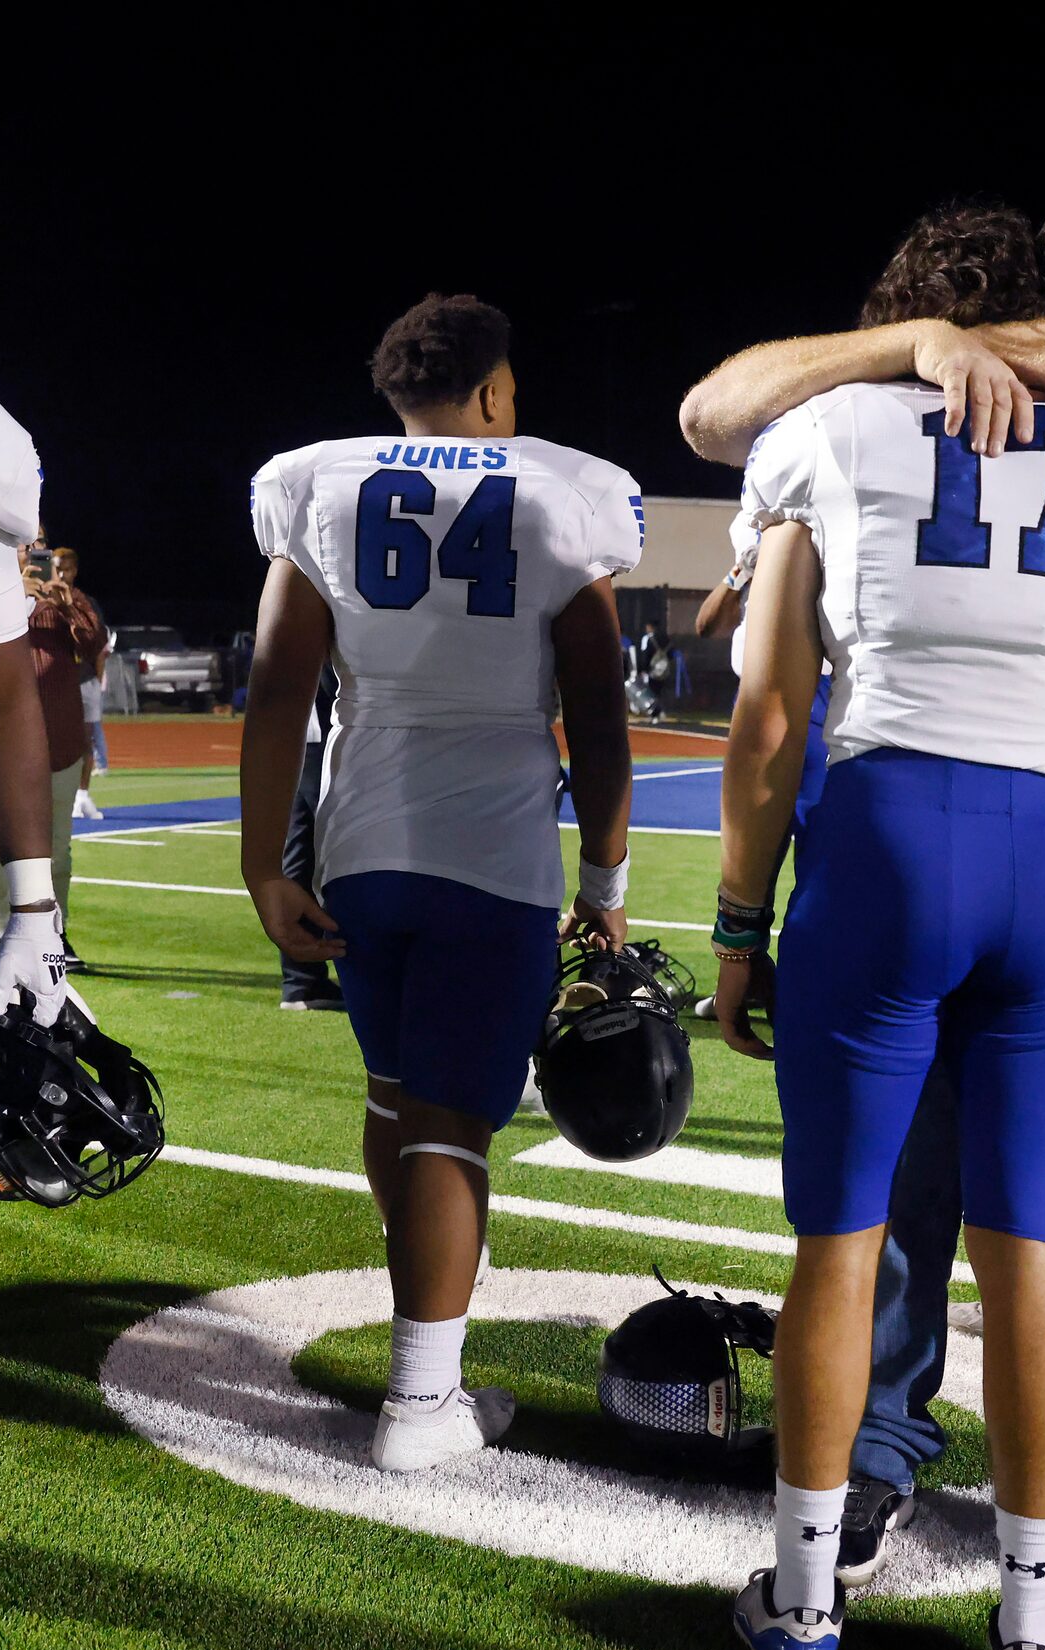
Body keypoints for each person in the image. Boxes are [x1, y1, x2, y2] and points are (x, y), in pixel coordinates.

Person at [708, 200, 1045, 1650]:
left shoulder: (833, 428)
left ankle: (803, 1612)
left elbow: (762, 725)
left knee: (839, 1244)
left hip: (879, 845)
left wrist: (740, 925)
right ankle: (1025, 1637)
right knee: (1030, 1255)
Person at [244, 292, 638, 1472]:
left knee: (397, 1095)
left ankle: (433, 1337)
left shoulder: (317, 482)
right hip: (492, 852)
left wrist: (264, 862)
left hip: (364, 842)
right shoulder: (564, 491)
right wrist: (606, 875)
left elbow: (275, 690)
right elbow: (599, 715)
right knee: (453, 1127)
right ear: (495, 392)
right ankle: (421, 1404)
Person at [0, 542, 95, 968]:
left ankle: (55, 933)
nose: (32, 552)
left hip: (60, 738)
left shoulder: (64, 597)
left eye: (37, 544)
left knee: (59, 850)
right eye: (24, 544)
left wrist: (66, 602)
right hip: (6, 739)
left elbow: (95, 643)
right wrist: (18, 597)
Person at [277, 665, 342, 1011]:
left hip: (297, 737)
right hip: (327, 736)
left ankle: (302, 980)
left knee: (300, 855)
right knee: (349, 852)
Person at [65, 545, 111, 818]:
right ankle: (61, 795)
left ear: (75, 571)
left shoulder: (85, 602)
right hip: (54, 683)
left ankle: (82, 795)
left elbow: (98, 641)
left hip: (84, 681)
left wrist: (99, 675)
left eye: (67, 569)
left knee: (86, 739)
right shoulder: (38, 598)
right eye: (58, 568)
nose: (62, 574)